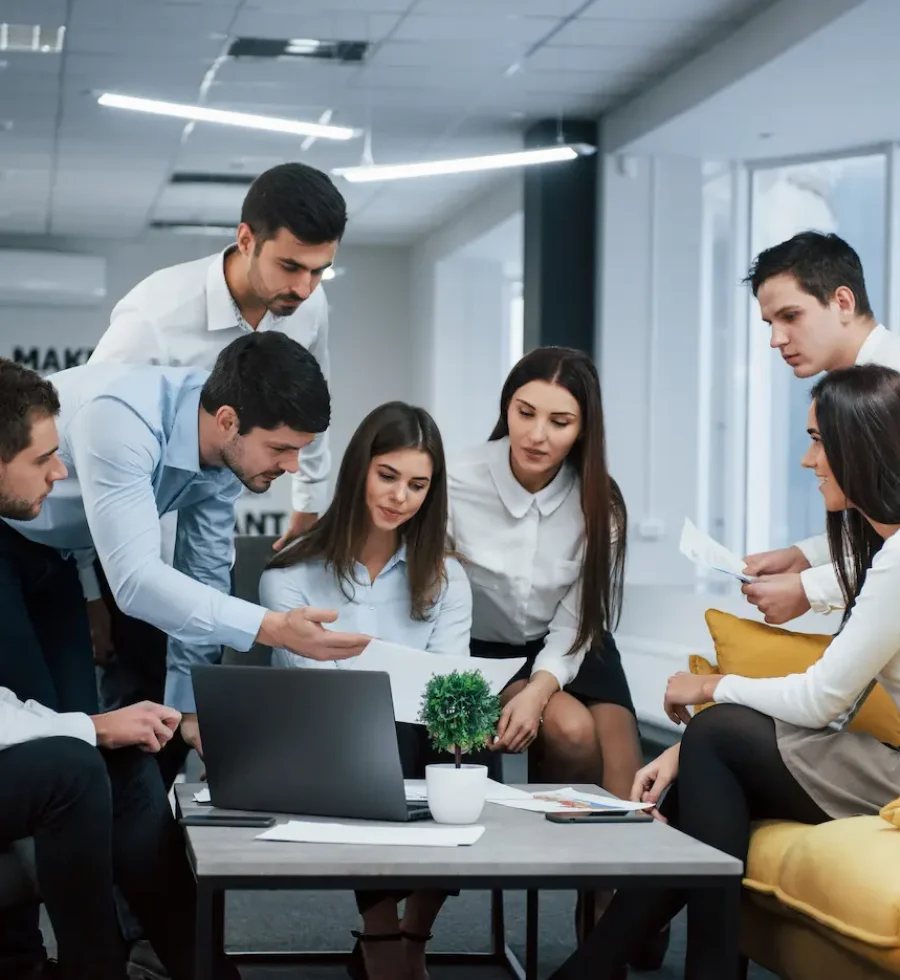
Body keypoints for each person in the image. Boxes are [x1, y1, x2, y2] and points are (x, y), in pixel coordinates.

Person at [551, 362, 900, 980]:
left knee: (716, 733)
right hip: (881, 762)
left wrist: (710, 689)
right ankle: (599, 968)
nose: (806, 460)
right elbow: (839, 703)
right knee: (709, 755)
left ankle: (605, 968)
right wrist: (690, 747)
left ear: (862, 446)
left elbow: (823, 701)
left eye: (818, 440)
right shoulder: (883, 550)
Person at [0, 333, 368, 775]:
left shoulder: (228, 449)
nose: (292, 467)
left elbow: (204, 572)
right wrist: (272, 628)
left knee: (79, 739)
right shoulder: (124, 420)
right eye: (281, 449)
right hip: (8, 534)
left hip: (60, 556)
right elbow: (135, 582)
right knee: (45, 743)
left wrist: (190, 705)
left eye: (299, 451)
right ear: (229, 422)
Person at [87, 162, 347, 735]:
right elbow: (80, 457)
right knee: (134, 678)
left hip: (209, 498)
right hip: (123, 521)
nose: (303, 289)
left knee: (199, 676)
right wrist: (90, 591)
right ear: (246, 239)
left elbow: (312, 400)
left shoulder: (307, 306)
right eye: (291, 267)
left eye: (319, 272)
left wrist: (310, 496)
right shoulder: (152, 320)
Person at [0, 359, 237, 980]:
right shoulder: (124, 403)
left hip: (47, 568)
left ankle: (202, 967)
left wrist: (107, 727)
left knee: (121, 762)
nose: (62, 471)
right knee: (78, 765)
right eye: (44, 457)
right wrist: (90, 729)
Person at [260, 401, 472, 980]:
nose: (400, 495)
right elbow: (320, 696)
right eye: (388, 475)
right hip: (331, 738)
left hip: (415, 728)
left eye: (418, 484)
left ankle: (415, 934)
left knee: (462, 730)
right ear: (359, 469)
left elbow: (447, 685)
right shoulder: (288, 578)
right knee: (364, 725)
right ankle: (380, 930)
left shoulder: (448, 580)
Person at [447, 346, 646, 948]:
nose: (536, 435)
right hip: (478, 644)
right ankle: (588, 902)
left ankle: (607, 916)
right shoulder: (452, 478)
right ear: (506, 406)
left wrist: (541, 685)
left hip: (574, 640)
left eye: (560, 422)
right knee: (571, 733)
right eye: (524, 412)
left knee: (624, 807)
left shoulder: (599, 501)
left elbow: (577, 620)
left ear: (584, 428)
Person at [740, 232, 900, 625]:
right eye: (769, 323)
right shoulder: (849, 392)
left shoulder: (892, 386)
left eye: (790, 316)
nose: (776, 339)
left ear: (842, 302)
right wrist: (806, 556)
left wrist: (812, 589)